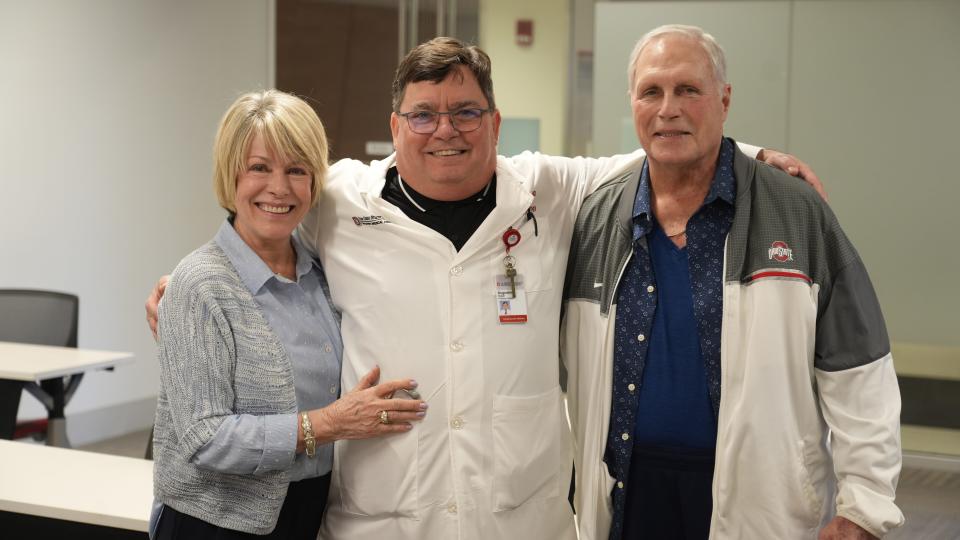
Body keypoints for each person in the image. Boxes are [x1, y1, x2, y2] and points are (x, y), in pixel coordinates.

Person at [147, 38, 822, 540]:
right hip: (381, 520)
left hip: (519, 516)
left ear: (495, 123)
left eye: (466, 112)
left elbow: (653, 151)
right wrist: (192, 285)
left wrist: (753, 156)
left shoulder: (549, 190)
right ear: (394, 129)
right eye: (423, 115)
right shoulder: (339, 201)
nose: (446, 130)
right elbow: (266, 217)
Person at [561, 25, 903, 540]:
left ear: (724, 99)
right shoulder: (595, 217)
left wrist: (865, 504)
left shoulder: (795, 212)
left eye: (688, 90)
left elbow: (860, 369)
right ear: (631, 102)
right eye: (651, 91)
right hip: (626, 496)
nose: (668, 108)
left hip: (760, 501)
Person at [150, 90, 425, 540]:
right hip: (214, 523)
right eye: (260, 168)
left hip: (307, 513)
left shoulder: (321, 275)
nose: (279, 188)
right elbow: (205, 438)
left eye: (297, 170)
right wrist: (329, 424)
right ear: (231, 175)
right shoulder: (199, 284)